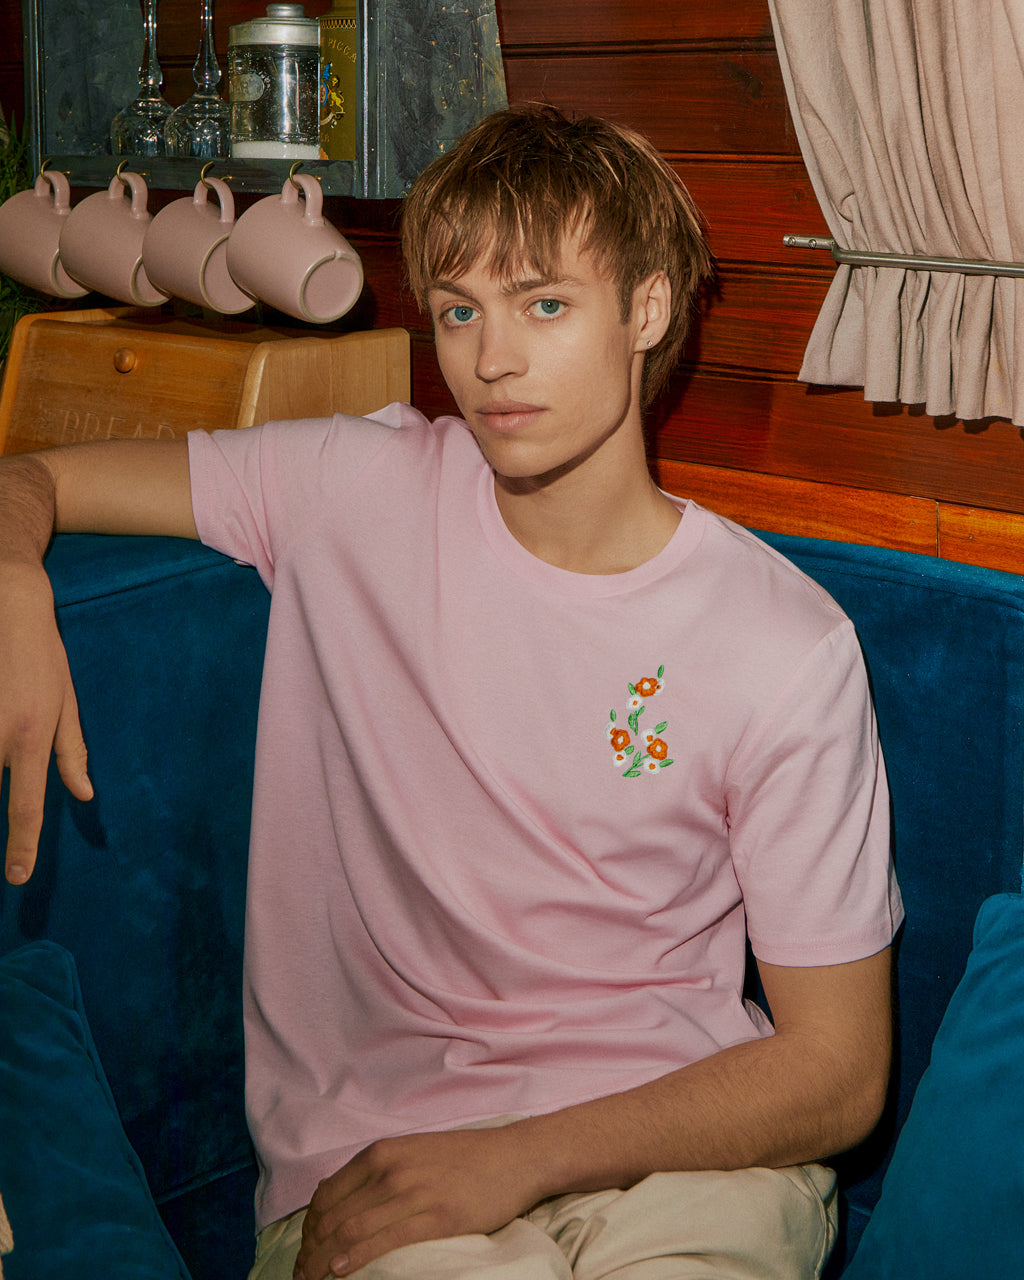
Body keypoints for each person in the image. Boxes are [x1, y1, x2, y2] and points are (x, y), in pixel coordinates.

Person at [0, 105, 903, 1280]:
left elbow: (838, 1069)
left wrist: (522, 1158)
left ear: (646, 309)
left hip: (690, 1160)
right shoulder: (344, 487)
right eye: (461, 310)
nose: (491, 359)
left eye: (543, 304)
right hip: (391, 1167)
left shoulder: (784, 639)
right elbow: (29, 477)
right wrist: (15, 571)